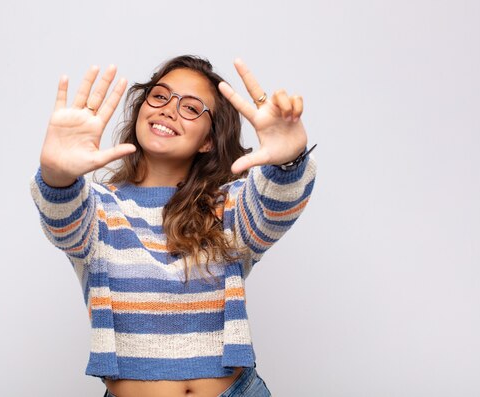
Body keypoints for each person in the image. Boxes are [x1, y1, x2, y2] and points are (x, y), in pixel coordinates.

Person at [30, 55, 317, 397]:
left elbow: (277, 201)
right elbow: (60, 214)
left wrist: (290, 160)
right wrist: (58, 174)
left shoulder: (226, 208)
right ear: (142, 107)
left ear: (208, 140)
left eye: (191, 107)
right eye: (160, 96)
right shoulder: (99, 209)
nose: (168, 109)